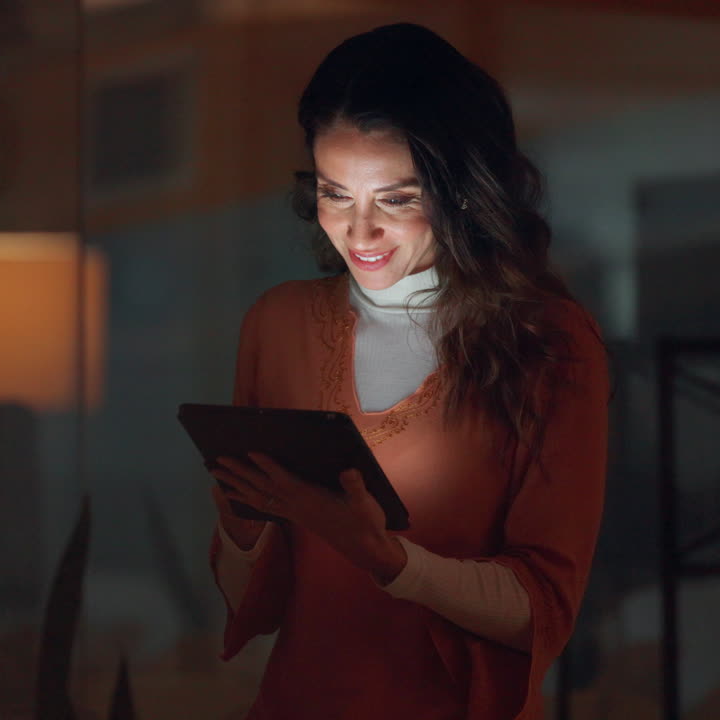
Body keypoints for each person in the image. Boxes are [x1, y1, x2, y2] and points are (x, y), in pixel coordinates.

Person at [206, 23, 609, 720]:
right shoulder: (277, 325)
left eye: (395, 199)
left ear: (458, 189)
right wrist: (245, 527)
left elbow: (544, 607)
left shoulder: (548, 344)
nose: (360, 234)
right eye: (336, 194)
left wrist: (391, 560)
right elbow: (254, 604)